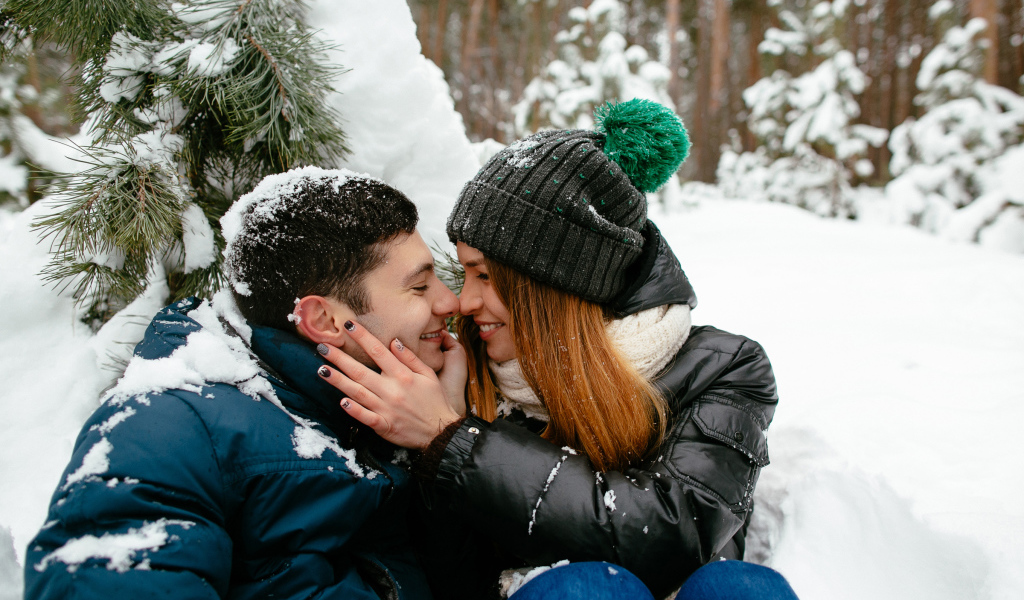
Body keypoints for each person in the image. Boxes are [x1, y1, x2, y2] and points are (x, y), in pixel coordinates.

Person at [317, 100, 795, 599]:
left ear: (557, 285)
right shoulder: (462, 369)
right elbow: (454, 581)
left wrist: (453, 439)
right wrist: (442, 440)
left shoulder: (721, 367)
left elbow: (672, 536)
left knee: (739, 589)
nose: (463, 300)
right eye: (465, 272)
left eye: (486, 276)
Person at [25, 167, 465, 600]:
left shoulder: (391, 405)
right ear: (325, 320)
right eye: (420, 286)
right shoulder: (169, 427)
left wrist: (445, 442)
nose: (451, 300)